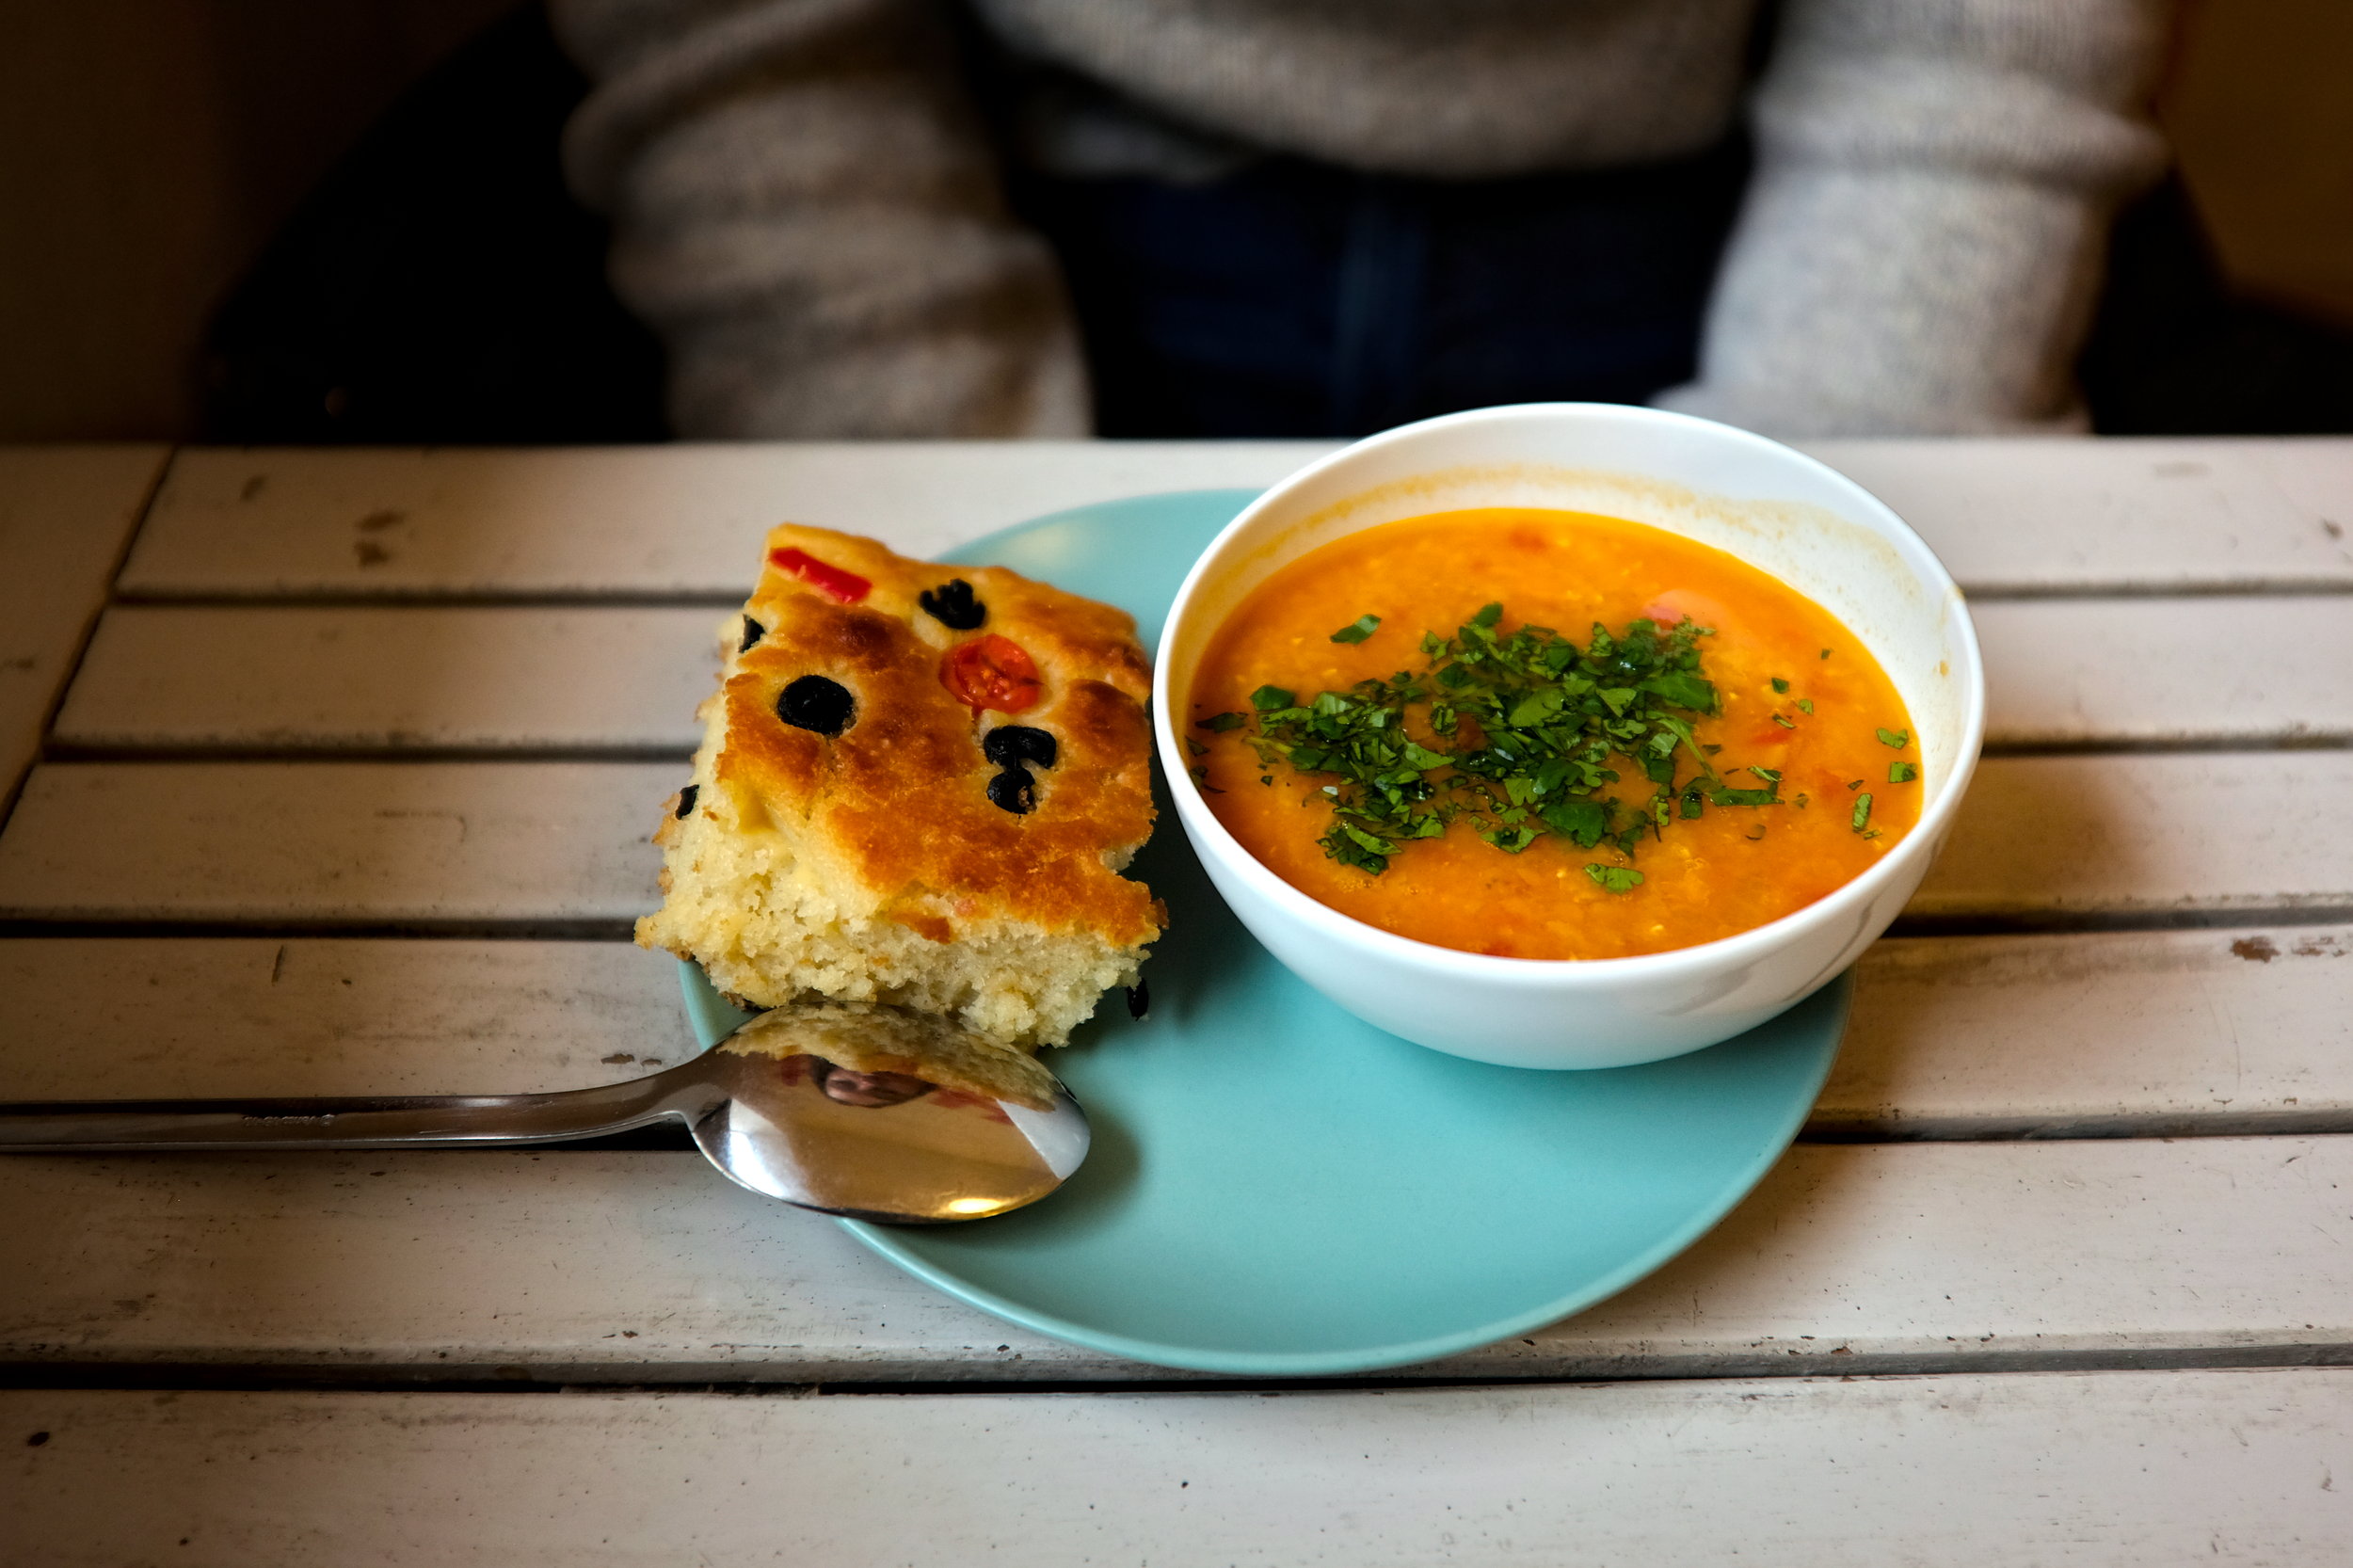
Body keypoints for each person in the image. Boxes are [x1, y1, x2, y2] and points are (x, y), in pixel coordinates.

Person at [546, 0, 2173, 441]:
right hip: (1003, 221)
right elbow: (747, 39)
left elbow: (1968, 39)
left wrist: (1857, 431)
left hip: (1741, 231)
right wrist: (906, 455)